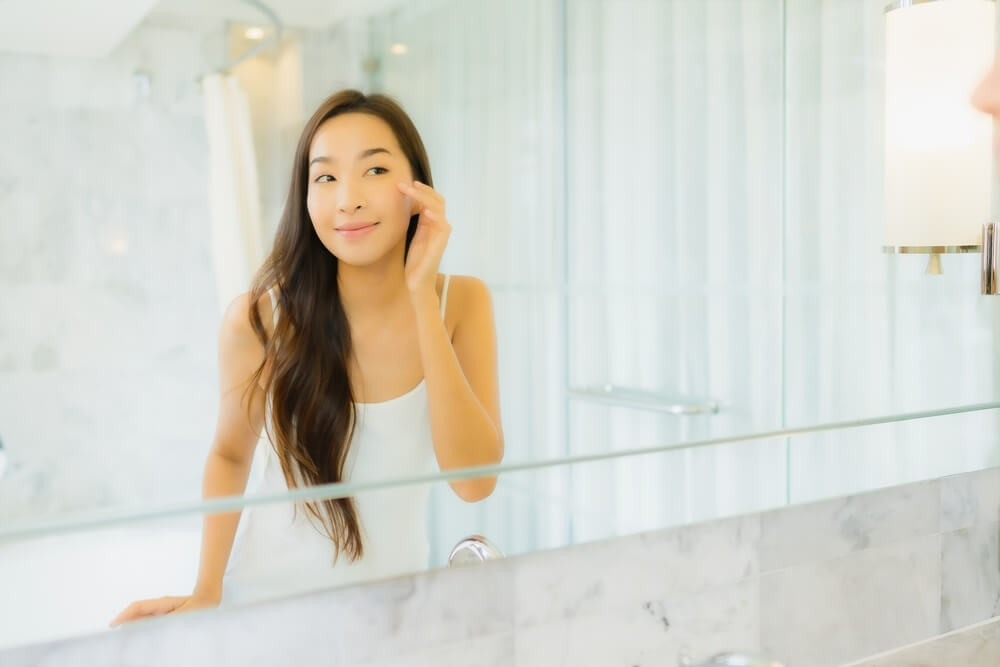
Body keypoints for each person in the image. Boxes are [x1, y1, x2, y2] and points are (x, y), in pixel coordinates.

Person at [110, 90, 504, 625]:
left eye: (375, 170)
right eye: (325, 177)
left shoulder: (462, 302)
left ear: (417, 188)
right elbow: (229, 455)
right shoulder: (261, 318)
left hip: (394, 606)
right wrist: (206, 589)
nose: (348, 199)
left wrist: (420, 296)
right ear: (305, 197)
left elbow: (474, 481)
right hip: (270, 602)